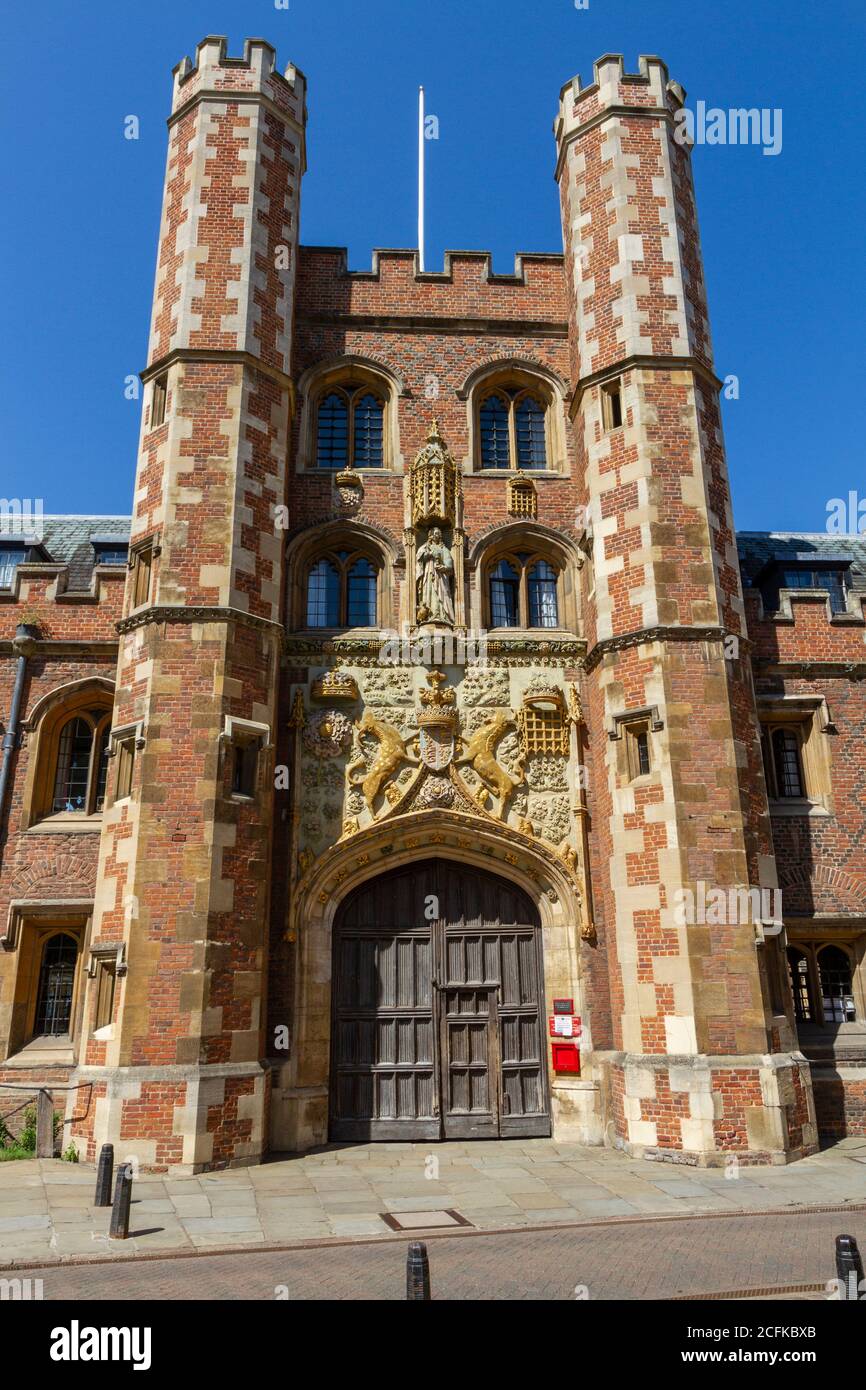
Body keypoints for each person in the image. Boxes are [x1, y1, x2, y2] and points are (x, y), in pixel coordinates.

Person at [416, 526, 455, 625]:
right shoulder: (425, 547)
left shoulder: (444, 549)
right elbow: (419, 558)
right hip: (429, 574)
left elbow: (449, 563)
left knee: (441, 593)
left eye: (439, 533)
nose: (438, 535)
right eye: (436, 533)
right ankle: (429, 616)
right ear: (431, 535)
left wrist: (444, 567)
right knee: (429, 592)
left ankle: (442, 615)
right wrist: (429, 554)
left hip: (440, 576)